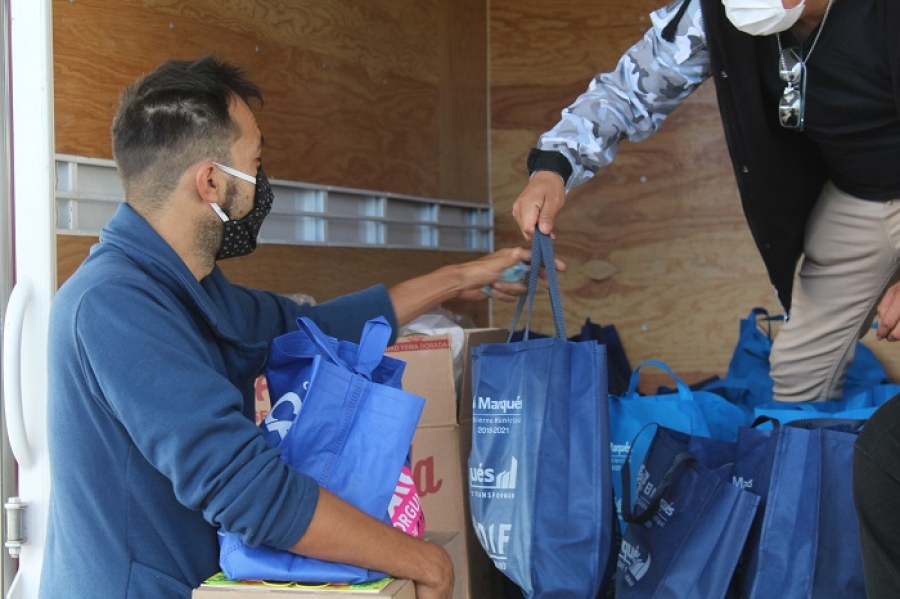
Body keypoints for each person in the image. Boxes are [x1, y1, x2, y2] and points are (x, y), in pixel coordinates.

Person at [39, 55, 541, 599]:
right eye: (254, 162)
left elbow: (315, 328)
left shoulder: (191, 289)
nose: (261, 182)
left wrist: (460, 278)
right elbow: (249, 491)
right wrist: (424, 561)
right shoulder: (114, 306)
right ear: (211, 181)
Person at [507, 0, 899, 595]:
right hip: (860, 200)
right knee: (799, 378)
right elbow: (633, 86)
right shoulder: (721, 13)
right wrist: (554, 165)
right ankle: (813, 557)